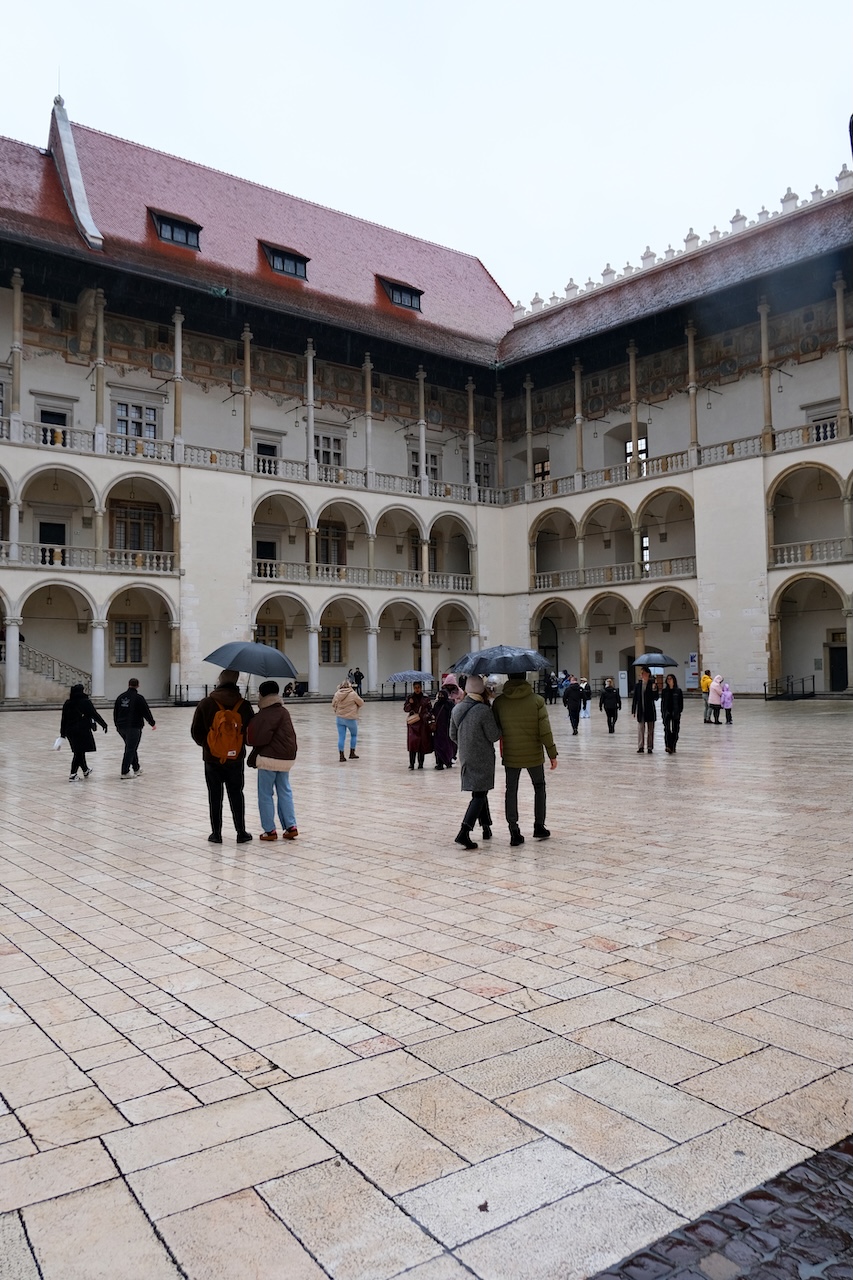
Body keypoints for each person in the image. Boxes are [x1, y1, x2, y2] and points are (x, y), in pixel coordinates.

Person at [491, 674, 558, 845]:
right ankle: (539, 826)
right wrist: (552, 753)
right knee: (539, 787)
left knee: (511, 790)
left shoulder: (499, 703)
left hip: (511, 754)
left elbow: (495, 729)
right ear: (525, 677)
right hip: (534, 754)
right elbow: (545, 730)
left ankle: (514, 830)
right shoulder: (537, 700)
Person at [191, 669, 254, 844]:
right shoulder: (243, 705)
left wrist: (210, 745)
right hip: (235, 759)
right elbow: (250, 734)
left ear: (219, 681)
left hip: (212, 758)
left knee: (214, 795)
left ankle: (216, 833)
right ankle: (241, 832)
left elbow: (196, 732)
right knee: (236, 794)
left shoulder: (206, 703)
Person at [449, 675, 501, 849]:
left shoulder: (457, 709)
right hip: (483, 757)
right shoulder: (483, 710)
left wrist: (466, 744)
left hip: (466, 756)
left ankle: (486, 827)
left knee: (479, 791)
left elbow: (452, 734)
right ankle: (464, 831)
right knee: (480, 794)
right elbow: (494, 735)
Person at [247, 680, 298, 841]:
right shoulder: (284, 712)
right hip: (286, 758)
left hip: (268, 758)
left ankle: (269, 830)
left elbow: (256, 738)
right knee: (285, 791)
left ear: (262, 694)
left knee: (265, 794)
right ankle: (291, 826)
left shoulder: (264, 714)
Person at [60, 683, 108, 781]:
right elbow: (94, 714)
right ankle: (73, 774)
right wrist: (103, 724)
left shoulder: (68, 703)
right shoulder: (85, 702)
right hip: (81, 729)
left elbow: (63, 719)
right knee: (78, 752)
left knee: (80, 751)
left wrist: (62, 733)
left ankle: (85, 770)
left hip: (70, 730)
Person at [113, 677, 156, 779]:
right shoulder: (138, 698)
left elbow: (115, 712)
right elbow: (146, 712)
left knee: (131, 747)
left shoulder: (120, 697)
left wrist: (117, 724)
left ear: (128, 684)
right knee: (130, 748)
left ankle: (136, 768)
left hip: (121, 727)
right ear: (138, 686)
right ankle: (125, 771)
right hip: (133, 726)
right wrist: (152, 723)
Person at [331, 678, 364, 761]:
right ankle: (352, 753)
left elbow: (333, 704)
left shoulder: (337, 694)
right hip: (351, 718)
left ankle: (341, 756)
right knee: (354, 735)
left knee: (341, 737)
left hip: (340, 718)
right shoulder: (353, 694)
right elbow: (361, 703)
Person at [632, 666, 659, 753]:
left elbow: (656, 698)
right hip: (641, 710)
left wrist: (654, 689)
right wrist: (633, 710)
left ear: (648, 674)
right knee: (640, 729)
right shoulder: (638, 685)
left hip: (650, 710)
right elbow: (635, 698)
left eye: (644, 673)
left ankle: (650, 747)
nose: (642, 675)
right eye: (641, 673)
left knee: (650, 730)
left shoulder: (652, 684)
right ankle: (640, 746)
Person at [431, 686, 456, 769]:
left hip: (446, 729)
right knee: (438, 746)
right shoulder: (437, 704)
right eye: (440, 695)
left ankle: (448, 761)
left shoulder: (449, 704)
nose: (441, 697)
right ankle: (440, 763)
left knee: (447, 746)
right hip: (438, 730)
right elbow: (433, 713)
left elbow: (452, 715)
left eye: (442, 695)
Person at [660, 673, 684, 754]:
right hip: (667, 712)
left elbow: (681, 703)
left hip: (675, 713)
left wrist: (679, 711)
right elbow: (662, 703)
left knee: (675, 730)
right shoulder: (664, 691)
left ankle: (673, 746)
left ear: (674, 680)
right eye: (668, 679)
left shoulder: (678, 691)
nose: (669, 680)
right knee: (667, 730)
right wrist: (663, 712)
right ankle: (668, 746)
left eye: (670, 679)